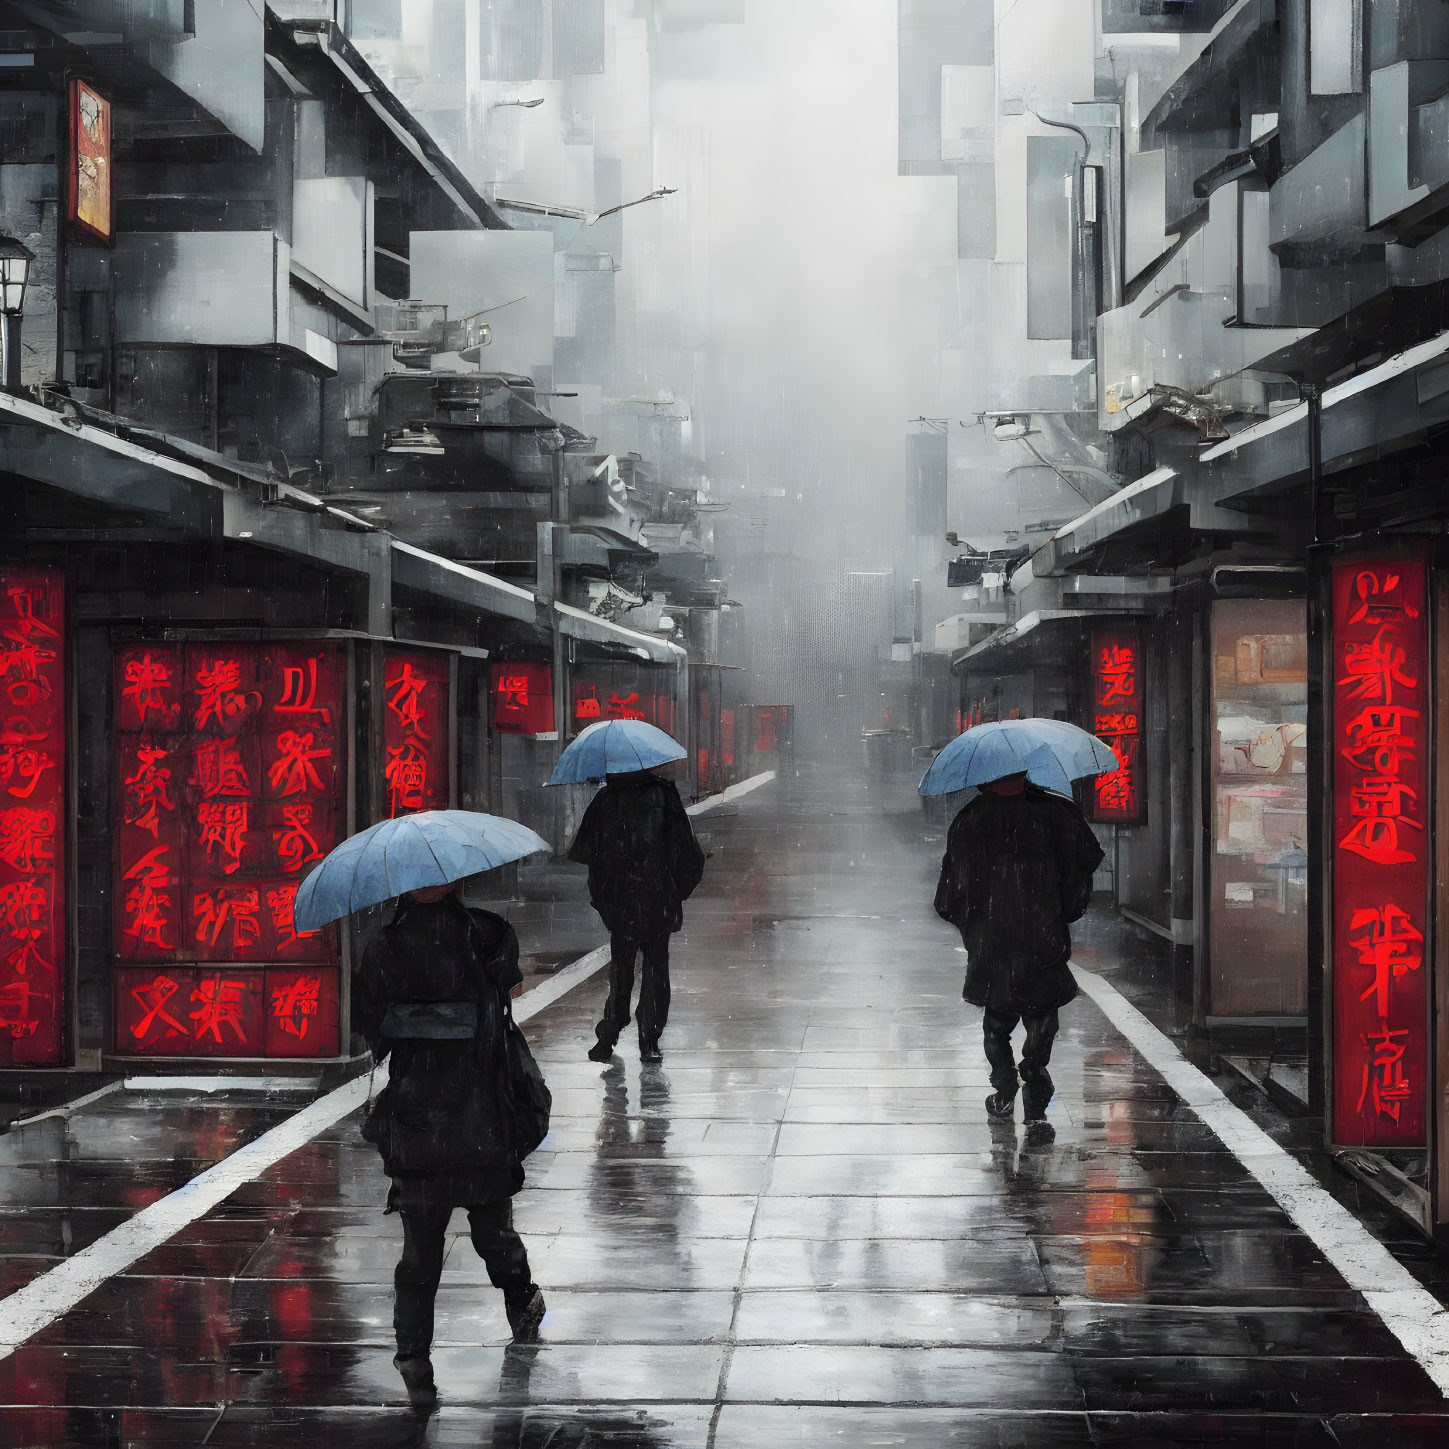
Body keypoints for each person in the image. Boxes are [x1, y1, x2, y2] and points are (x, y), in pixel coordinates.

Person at [355, 882, 547, 1408]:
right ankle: (521, 1302)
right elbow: (505, 1007)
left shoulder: (383, 947)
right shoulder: (488, 934)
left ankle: (413, 1355)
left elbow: (370, 1030)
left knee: (420, 1255)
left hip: (418, 1128)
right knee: (493, 1234)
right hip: (479, 1120)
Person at [933, 771, 1104, 1125]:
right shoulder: (1055, 812)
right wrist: (1058, 909)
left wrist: (976, 923)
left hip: (993, 945)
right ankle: (1035, 1074)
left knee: (996, 1025)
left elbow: (950, 897)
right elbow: (1081, 868)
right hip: (1042, 940)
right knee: (1041, 1020)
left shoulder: (971, 820)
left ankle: (1005, 1085)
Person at [568, 766, 706, 1063]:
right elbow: (689, 854)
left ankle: (611, 1031)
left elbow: (591, 856)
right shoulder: (663, 797)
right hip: (657, 898)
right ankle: (649, 1038)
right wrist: (673, 891)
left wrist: (604, 895)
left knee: (621, 969)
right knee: (655, 969)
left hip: (622, 899)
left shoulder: (606, 800)